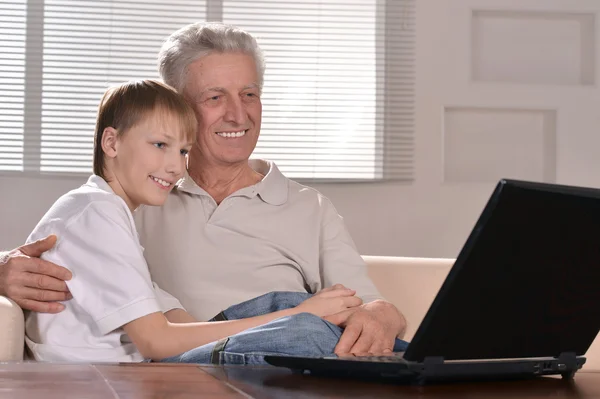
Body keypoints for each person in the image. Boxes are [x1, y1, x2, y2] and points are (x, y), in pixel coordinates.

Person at [0, 22, 407, 361]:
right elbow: (64, 254)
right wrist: (3, 273)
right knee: (298, 325)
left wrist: (382, 316)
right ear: (177, 108)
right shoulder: (138, 196)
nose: (238, 113)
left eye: (249, 94)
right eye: (215, 97)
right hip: (190, 363)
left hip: (262, 363)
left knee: (295, 317)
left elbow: (368, 307)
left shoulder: (311, 208)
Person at [22, 79, 363, 363]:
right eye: (160, 144)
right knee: (299, 328)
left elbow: (171, 317)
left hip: (140, 370)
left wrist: (296, 315)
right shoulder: (96, 212)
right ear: (111, 142)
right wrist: (296, 318)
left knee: (289, 313)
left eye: (183, 151)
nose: (175, 167)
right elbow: (156, 341)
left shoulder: (101, 208)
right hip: (107, 379)